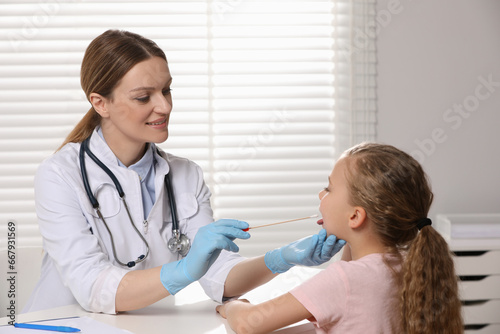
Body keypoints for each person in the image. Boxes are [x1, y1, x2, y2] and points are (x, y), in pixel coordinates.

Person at [24, 29, 346, 315]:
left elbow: (219, 276)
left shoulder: (185, 175)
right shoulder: (59, 176)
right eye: (143, 97)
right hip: (62, 325)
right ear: (100, 103)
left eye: (167, 90)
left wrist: (281, 259)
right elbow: (93, 288)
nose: (164, 107)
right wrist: (184, 270)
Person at [216, 142, 463, 334]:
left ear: (355, 216)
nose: (321, 193)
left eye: (330, 188)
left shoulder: (343, 281)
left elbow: (250, 324)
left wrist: (233, 306)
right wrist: (348, 239)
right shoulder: (408, 266)